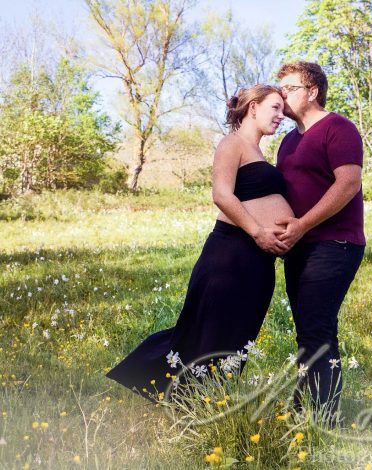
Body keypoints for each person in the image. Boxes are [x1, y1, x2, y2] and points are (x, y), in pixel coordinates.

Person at [105, 85, 293, 402]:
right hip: (231, 254)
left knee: (238, 335)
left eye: (283, 109)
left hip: (258, 262)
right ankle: (185, 399)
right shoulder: (232, 144)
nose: (281, 115)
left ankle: (209, 402)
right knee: (207, 332)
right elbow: (222, 194)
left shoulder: (259, 151)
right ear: (253, 107)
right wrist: (259, 231)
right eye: (275, 107)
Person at [275, 61, 366, 423]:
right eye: (279, 88)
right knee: (309, 330)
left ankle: (325, 419)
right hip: (298, 247)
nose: (282, 95)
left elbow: (347, 184)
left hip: (335, 244)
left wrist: (302, 224)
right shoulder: (287, 141)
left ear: (312, 92)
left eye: (290, 88)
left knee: (317, 328)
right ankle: (305, 412)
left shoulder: (338, 128)